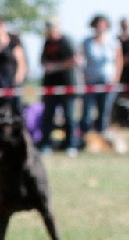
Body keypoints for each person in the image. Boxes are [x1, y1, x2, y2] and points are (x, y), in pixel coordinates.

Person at [79, 14, 123, 144]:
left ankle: (103, 138)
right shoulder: (87, 42)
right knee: (87, 112)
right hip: (91, 82)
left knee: (104, 112)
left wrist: (116, 79)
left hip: (108, 82)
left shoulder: (113, 42)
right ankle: (84, 139)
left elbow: (119, 61)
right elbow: (82, 61)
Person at [39, 16, 79, 156]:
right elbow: (42, 60)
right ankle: (45, 144)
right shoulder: (47, 43)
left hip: (67, 86)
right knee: (48, 117)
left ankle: (71, 144)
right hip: (50, 87)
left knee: (69, 117)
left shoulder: (67, 41)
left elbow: (75, 60)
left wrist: (56, 67)